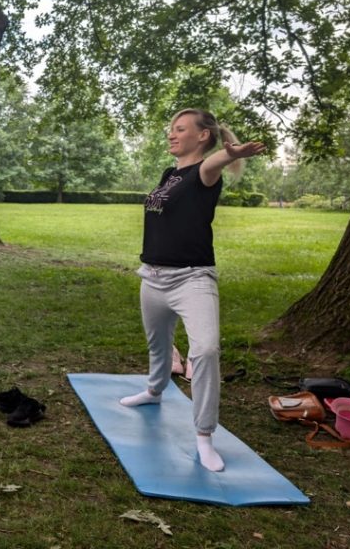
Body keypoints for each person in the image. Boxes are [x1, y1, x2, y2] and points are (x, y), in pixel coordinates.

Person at [118, 108, 265, 472]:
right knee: (158, 345)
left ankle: (203, 435)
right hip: (152, 275)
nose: (171, 135)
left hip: (192, 278)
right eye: (171, 129)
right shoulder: (171, 174)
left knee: (206, 349)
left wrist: (232, 152)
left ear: (201, 136)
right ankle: (154, 392)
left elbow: (215, 161)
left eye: (180, 129)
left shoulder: (204, 173)